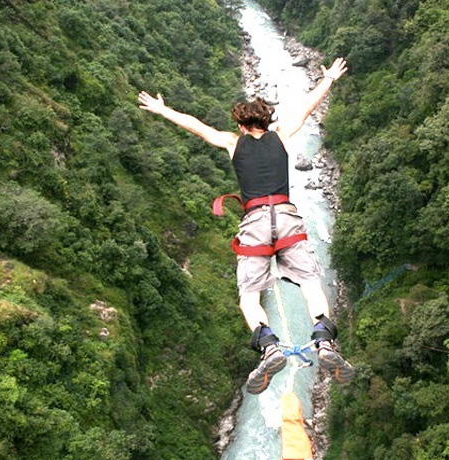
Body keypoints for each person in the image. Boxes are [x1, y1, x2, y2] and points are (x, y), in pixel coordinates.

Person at [138, 57, 354, 394]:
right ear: (268, 122)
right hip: (286, 219)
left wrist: (164, 111)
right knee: (311, 283)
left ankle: (269, 348)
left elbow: (196, 126)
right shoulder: (281, 135)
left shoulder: (232, 142)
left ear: (240, 125)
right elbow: (309, 107)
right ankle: (324, 342)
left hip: (254, 224)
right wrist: (328, 79)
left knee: (250, 297)